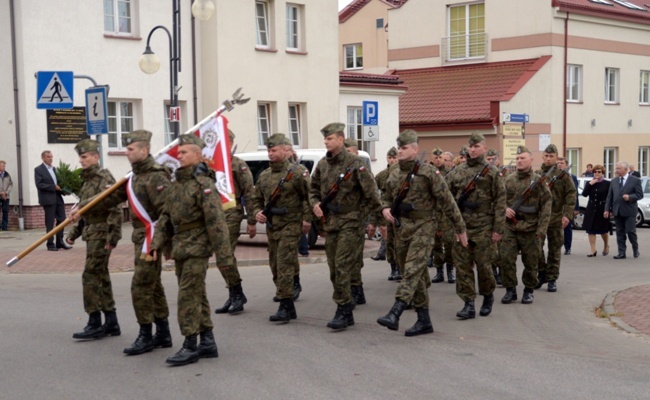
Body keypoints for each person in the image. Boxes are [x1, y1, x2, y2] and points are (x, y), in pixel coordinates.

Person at [73, 130, 172, 355]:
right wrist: (82, 208)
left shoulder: (156, 176)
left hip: (152, 239)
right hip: (141, 237)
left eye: (130, 149)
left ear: (144, 151)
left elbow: (167, 212)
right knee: (153, 286)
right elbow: (110, 197)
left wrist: (160, 243)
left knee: (140, 287)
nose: (126, 153)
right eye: (125, 149)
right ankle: (163, 334)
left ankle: (146, 334)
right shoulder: (133, 176)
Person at [151, 134, 234, 366]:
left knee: (187, 294)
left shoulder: (204, 185)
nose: (179, 156)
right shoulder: (177, 185)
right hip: (180, 246)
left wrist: (224, 257)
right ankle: (207, 341)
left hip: (198, 246)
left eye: (184, 152)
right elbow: (165, 217)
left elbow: (216, 222)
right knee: (197, 293)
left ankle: (190, 345)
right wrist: (156, 244)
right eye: (178, 153)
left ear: (197, 155)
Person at [377, 129, 467, 336]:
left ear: (415, 149)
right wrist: (385, 208)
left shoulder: (428, 172)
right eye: (398, 147)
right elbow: (386, 198)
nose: (400, 151)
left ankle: (396, 310)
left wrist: (460, 228)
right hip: (402, 228)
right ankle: (424, 320)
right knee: (414, 273)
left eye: (404, 148)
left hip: (425, 225)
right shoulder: (394, 174)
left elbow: (447, 201)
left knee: (412, 268)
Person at [310, 122, 381, 330]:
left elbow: (371, 193)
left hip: (351, 221)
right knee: (333, 267)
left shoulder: (355, 163)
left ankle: (342, 308)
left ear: (340, 140)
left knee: (341, 264)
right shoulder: (323, 164)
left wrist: (374, 220)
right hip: (331, 222)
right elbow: (312, 189)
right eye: (325, 138)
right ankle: (347, 309)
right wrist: (314, 204)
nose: (326, 141)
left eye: (330, 138)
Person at [65, 139, 123, 340]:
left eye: (84, 157)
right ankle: (111, 321)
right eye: (80, 157)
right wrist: (73, 234)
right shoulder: (88, 181)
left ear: (96, 157)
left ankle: (94, 322)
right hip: (91, 232)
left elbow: (115, 208)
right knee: (101, 276)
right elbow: (85, 211)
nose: (81, 161)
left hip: (101, 233)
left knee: (90, 276)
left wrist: (113, 236)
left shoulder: (103, 178)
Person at [251, 133, 311, 322]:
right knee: (274, 265)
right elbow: (255, 199)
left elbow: (309, 197)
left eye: (274, 150)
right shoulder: (264, 175)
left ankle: (285, 306)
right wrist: (256, 212)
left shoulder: (297, 172)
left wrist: (307, 220)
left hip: (291, 223)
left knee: (284, 263)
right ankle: (289, 304)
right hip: (272, 226)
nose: (270, 153)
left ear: (285, 150)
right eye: (268, 150)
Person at [447, 132, 504, 319]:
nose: (473, 150)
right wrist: (452, 226)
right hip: (462, 226)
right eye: (470, 146)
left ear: (484, 148)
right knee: (462, 266)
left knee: (484, 266)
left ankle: (488, 296)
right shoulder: (457, 172)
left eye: (477, 146)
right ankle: (468, 303)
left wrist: (498, 229)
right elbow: (447, 200)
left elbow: (501, 202)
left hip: (484, 227)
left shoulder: (492, 173)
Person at [501, 146, 551, 305]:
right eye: (517, 158)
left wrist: (541, 230)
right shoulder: (508, 179)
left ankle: (529, 290)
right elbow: (498, 199)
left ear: (531, 160)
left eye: (523, 158)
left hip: (531, 228)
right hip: (511, 227)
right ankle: (510, 290)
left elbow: (546, 206)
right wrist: (505, 209)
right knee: (506, 259)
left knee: (531, 262)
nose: (519, 161)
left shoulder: (539, 181)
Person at [214, 129, 253, 315]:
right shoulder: (211, 165)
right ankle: (233, 292)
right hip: (215, 215)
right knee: (221, 257)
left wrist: (252, 220)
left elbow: (249, 192)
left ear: (229, 143)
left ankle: (237, 294)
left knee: (225, 253)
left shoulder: (238, 164)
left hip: (232, 212)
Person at [535, 144, 576, 293]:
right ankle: (541, 273)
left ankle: (552, 278)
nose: (548, 158)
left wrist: (567, 215)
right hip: (540, 218)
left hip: (557, 216)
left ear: (556, 157)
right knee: (536, 248)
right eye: (546, 156)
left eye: (551, 156)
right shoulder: (537, 174)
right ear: (542, 157)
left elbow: (571, 196)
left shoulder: (564, 176)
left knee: (555, 249)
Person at [343, 137, 375, 306]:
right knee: (346, 258)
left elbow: (371, 197)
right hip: (342, 221)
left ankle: (356, 289)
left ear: (356, 153)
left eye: (349, 152)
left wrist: (371, 222)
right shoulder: (339, 170)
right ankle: (354, 290)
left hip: (358, 219)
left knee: (355, 258)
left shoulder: (362, 171)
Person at [604, 162, 643, 259]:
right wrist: (607, 209)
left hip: (630, 211)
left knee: (630, 231)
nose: (616, 170)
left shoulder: (635, 180)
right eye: (616, 168)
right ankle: (621, 252)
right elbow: (610, 197)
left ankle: (635, 249)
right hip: (617, 210)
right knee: (620, 232)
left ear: (626, 170)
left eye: (618, 168)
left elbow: (640, 194)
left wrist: (630, 197)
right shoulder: (613, 181)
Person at [372, 147, 400, 281]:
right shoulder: (382, 175)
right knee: (389, 243)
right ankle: (393, 268)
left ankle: (401, 268)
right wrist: (375, 218)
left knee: (400, 242)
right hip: (386, 212)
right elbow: (374, 195)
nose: (392, 160)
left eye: (395, 158)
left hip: (401, 213)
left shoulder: (404, 173)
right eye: (390, 158)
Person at [429, 147, 455, 285]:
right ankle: (439, 271)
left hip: (446, 215)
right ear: (432, 159)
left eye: (441, 158)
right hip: (433, 214)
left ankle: (450, 270)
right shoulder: (428, 173)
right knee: (436, 244)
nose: (439, 160)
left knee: (450, 243)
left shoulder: (450, 174)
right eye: (436, 158)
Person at [35, 150, 71, 251]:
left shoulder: (54, 169)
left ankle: (60, 242)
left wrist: (65, 189)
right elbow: (39, 184)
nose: (50, 158)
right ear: (43, 158)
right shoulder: (38, 170)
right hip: (48, 199)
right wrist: (53, 187)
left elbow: (58, 183)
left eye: (51, 157)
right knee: (50, 222)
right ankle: (50, 244)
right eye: (48, 157)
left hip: (58, 198)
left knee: (62, 219)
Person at [582, 164, 611, 257]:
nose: (597, 173)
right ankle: (592, 249)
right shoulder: (589, 183)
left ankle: (606, 245)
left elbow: (610, 197)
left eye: (599, 172)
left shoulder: (607, 184)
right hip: (591, 208)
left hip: (602, 209)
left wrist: (610, 209)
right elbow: (584, 194)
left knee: (603, 230)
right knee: (590, 230)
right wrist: (590, 184)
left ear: (602, 173)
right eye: (595, 172)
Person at [558, 157, 579, 255]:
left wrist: (576, 208)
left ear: (566, 165)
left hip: (567, 206)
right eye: (558, 163)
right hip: (556, 207)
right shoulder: (554, 176)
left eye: (561, 163)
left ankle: (567, 247)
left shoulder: (572, 177)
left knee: (567, 227)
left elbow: (574, 194)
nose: (559, 164)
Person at [0, 160, 13, 231]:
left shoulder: (7, 175)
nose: (3, 167)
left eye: (4, 166)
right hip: (0, 195)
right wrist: (1, 193)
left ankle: (4, 227)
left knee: (5, 211)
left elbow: (11, 184)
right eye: (2, 166)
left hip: (6, 196)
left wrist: (6, 193)